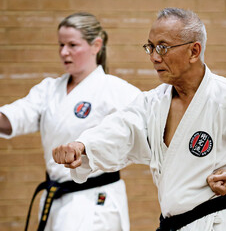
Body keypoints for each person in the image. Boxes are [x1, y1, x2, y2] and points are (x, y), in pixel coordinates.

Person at [52, 8, 226, 231]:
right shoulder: (153, 102)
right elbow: (121, 128)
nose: (154, 57)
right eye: (150, 47)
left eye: (162, 47)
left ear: (194, 51)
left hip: (217, 224)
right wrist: (82, 146)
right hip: (173, 224)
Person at [0, 12, 141, 231]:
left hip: (94, 201)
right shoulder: (49, 90)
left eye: (72, 45)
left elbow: (151, 128)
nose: (64, 52)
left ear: (96, 45)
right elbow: (16, 116)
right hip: (56, 198)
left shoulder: (115, 90)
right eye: (61, 45)